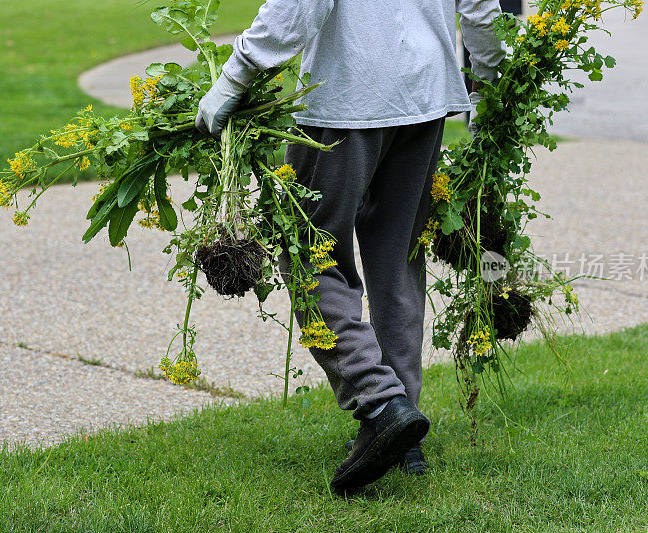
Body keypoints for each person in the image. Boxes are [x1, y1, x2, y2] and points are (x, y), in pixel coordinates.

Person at [196, 0, 505, 494]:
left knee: (308, 254)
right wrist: (488, 77)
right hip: (425, 94)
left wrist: (236, 76)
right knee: (397, 262)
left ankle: (381, 402)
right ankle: (403, 432)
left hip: (348, 94)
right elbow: (483, 8)